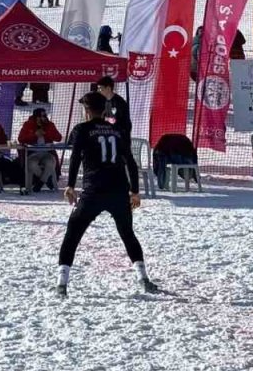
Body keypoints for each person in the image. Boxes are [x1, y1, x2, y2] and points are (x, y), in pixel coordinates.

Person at [56, 92, 157, 297]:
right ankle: (143, 278)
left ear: (86, 110)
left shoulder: (82, 129)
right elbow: (130, 161)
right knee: (127, 233)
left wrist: (70, 185)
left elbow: (75, 158)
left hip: (94, 189)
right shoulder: (117, 130)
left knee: (73, 232)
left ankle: (62, 283)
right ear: (104, 110)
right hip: (119, 189)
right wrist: (135, 192)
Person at [17, 108, 62, 192]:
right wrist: (34, 135)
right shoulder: (28, 124)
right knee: (31, 164)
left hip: (47, 153)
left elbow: (59, 138)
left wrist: (47, 133)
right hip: (33, 153)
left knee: (50, 163)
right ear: (36, 117)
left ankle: (40, 183)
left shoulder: (50, 125)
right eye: (42, 116)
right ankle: (47, 180)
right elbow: (21, 139)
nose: (45, 118)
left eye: (45, 115)